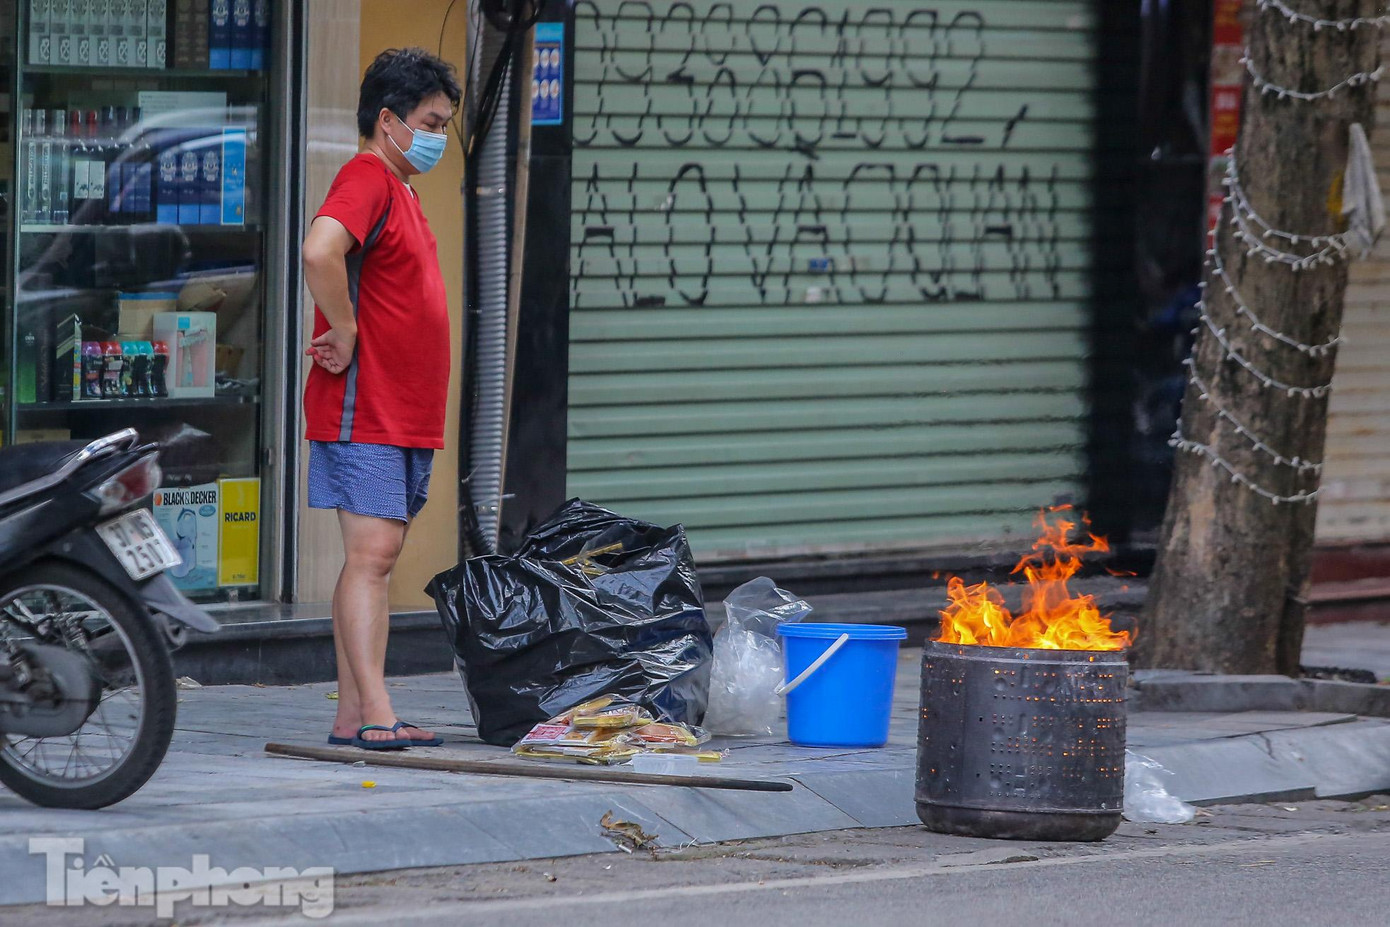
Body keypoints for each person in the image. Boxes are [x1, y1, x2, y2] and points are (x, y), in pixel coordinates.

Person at [301, 47, 461, 750]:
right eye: (431, 121)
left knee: (375, 558)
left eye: (446, 123)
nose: (439, 136)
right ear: (389, 120)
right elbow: (318, 250)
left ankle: (354, 713)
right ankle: (374, 713)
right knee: (373, 555)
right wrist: (342, 325)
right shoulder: (367, 177)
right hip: (365, 408)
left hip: (400, 411)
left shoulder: (402, 188)